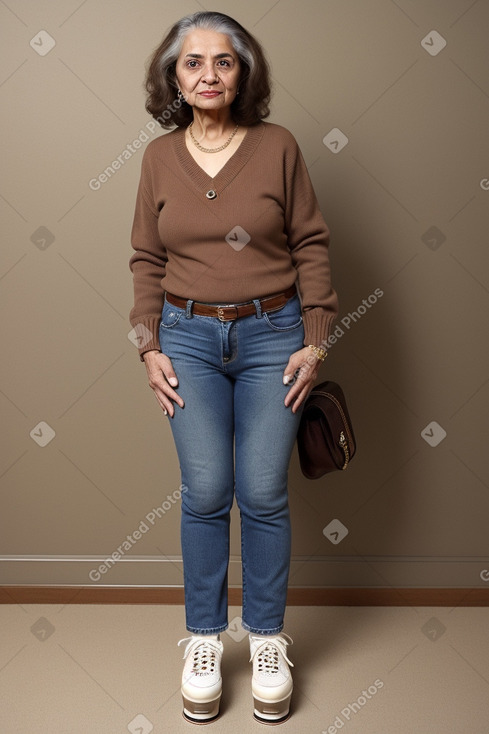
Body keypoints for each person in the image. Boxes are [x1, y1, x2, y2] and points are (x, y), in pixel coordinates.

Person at [129, 10, 338, 725]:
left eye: (223, 62)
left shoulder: (277, 146)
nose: (208, 75)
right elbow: (146, 259)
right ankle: (205, 638)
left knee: (262, 493)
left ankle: (270, 637)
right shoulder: (158, 157)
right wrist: (149, 345)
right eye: (193, 63)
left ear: (242, 72)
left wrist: (314, 339)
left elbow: (310, 242)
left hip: (272, 335)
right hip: (185, 337)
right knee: (205, 489)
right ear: (174, 76)